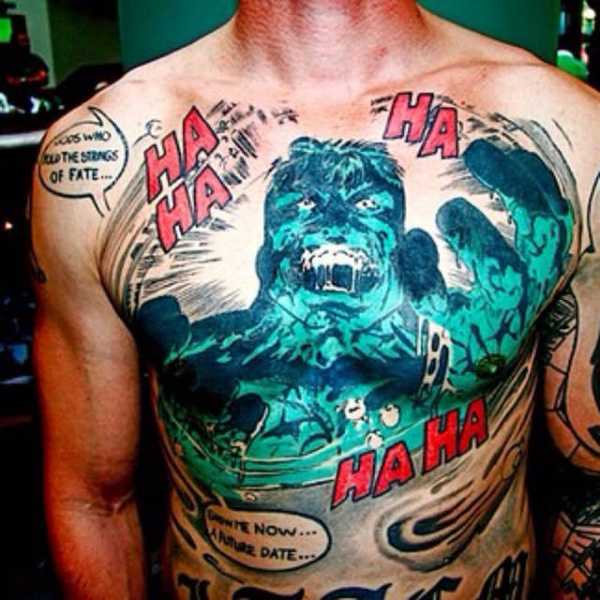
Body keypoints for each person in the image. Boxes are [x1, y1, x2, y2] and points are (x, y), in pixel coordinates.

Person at [30, 1, 600, 598]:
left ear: (400, 242)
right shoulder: (99, 167)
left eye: (369, 207)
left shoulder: (574, 134)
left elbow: (591, 487)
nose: (336, 222)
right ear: (265, 252)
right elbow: (94, 501)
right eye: (303, 206)